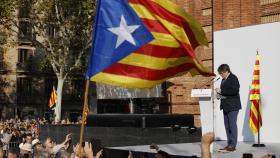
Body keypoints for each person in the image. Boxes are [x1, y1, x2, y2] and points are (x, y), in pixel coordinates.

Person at [215, 64, 241, 152]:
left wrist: (221, 91)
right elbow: (225, 94)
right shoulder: (223, 80)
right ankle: (229, 143)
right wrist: (219, 96)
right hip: (225, 106)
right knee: (227, 126)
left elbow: (235, 91)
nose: (221, 75)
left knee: (232, 125)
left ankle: (233, 145)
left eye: (221, 73)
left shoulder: (233, 78)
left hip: (233, 106)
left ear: (226, 71)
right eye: (220, 74)